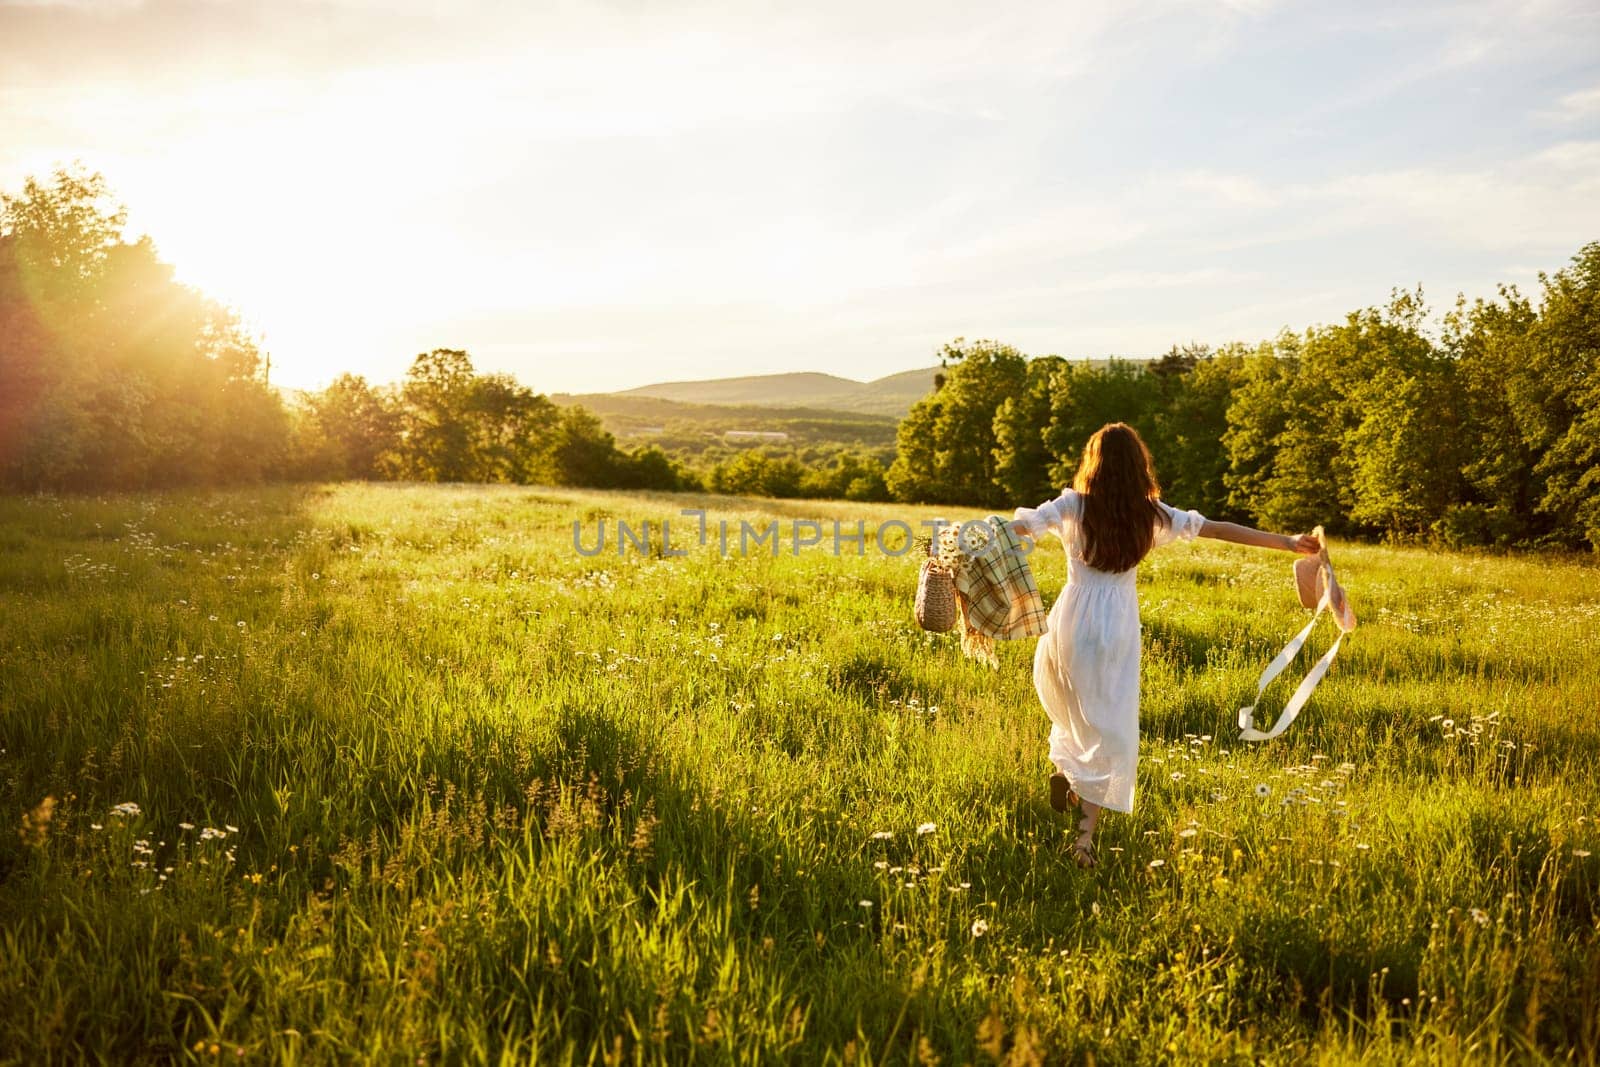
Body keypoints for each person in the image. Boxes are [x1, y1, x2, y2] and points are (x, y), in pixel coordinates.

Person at [1008, 422, 1321, 869]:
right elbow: (1217, 529)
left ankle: (1067, 773)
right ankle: (1084, 840)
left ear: (1091, 464)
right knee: (1111, 725)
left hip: (1070, 623)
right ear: (1139, 467)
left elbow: (1022, 528)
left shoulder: (1073, 505)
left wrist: (966, 538)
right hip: (1115, 626)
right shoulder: (1150, 513)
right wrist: (1286, 542)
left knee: (1074, 708)